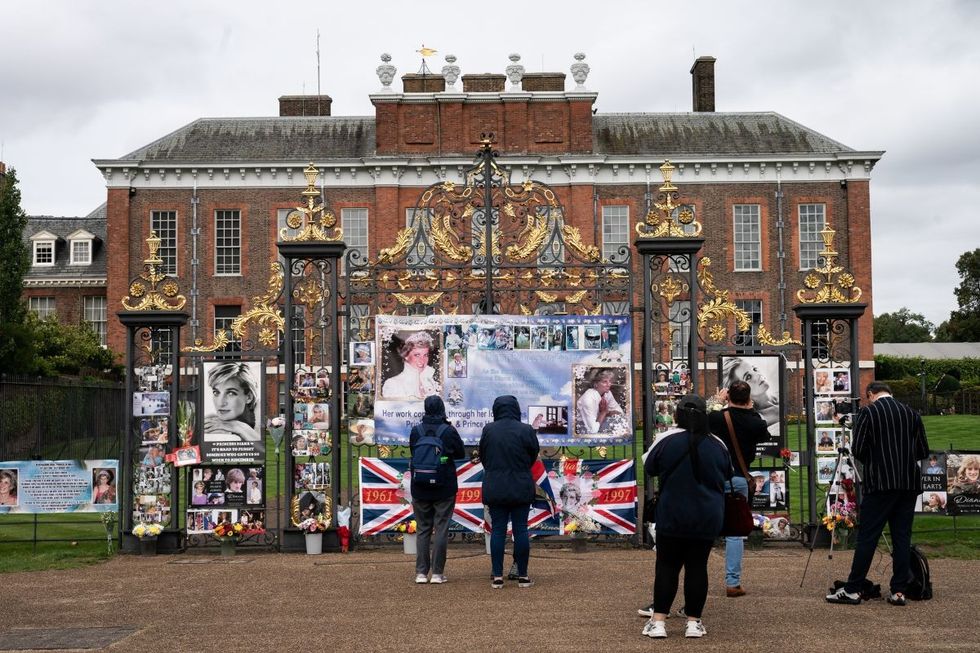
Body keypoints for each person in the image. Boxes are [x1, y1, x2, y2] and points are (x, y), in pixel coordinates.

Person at [827, 381, 929, 607]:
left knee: (868, 537)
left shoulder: (869, 413)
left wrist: (877, 461)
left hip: (881, 483)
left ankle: (853, 589)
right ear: (890, 393)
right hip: (909, 483)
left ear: (871, 394)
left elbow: (859, 449)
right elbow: (923, 450)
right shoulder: (911, 414)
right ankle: (899, 590)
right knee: (902, 537)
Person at [642, 394, 731, 639]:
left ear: (678, 414)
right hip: (706, 513)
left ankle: (658, 621)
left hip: (673, 512)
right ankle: (693, 622)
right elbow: (727, 472)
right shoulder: (717, 443)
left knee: (667, 566)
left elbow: (649, 468)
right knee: (697, 567)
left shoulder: (667, 440)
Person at [701, 380, 769, 599]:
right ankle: (733, 582)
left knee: (703, 530)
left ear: (727, 396)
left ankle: (696, 576)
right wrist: (750, 408)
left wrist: (717, 402)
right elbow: (763, 434)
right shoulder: (755, 421)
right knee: (734, 533)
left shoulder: (716, 418)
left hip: (712, 478)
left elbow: (700, 420)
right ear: (749, 399)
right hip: (738, 478)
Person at [479, 395, 540, 589]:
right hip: (520, 483)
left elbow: (483, 456)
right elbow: (533, 454)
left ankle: (497, 575)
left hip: (496, 484)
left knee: (498, 529)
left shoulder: (489, 430)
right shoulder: (526, 430)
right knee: (521, 529)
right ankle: (523, 575)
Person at [409, 396, 465, 584]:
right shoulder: (448, 431)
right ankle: (438, 573)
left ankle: (421, 572)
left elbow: (413, 452)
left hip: (420, 486)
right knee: (441, 528)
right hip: (444, 486)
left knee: (423, 529)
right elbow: (460, 453)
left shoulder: (416, 431)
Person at [721, 357, 779, 435]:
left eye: (754, 369)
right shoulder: (757, 419)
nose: (757, 375)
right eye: (748, 377)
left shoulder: (779, 396)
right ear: (738, 390)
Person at [204, 362, 260, 442]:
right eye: (216, 392)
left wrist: (237, 426)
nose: (220, 403)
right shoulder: (212, 421)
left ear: (249, 397)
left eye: (231, 393)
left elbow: (261, 445)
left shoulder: (259, 408)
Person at [382, 331, 439, 400]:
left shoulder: (430, 380)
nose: (422, 360)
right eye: (417, 355)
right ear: (406, 355)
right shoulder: (393, 384)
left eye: (425, 355)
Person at [576, 369, 625, 434]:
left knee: (621, 421)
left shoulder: (607, 393)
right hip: (583, 428)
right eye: (605, 382)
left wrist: (607, 413)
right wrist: (603, 412)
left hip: (598, 424)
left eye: (609, 381)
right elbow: (592, 430)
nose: (609, 384)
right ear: (595, 384)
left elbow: (620, 413)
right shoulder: (588, 398)